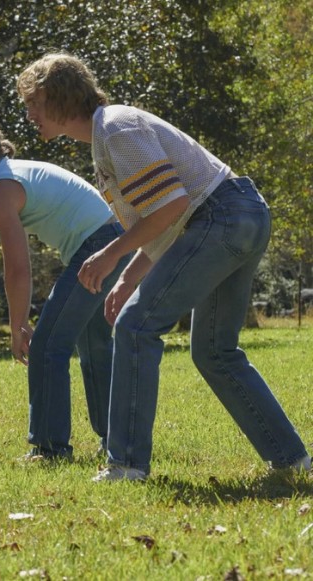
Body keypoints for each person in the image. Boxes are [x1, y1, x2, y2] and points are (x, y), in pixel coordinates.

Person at [16, 53, 311, 481]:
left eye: (33, 102)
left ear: (58, 98)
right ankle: (293, 462)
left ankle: (126, 464)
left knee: (136, 327)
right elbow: (163, 222)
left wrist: (111, 254)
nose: (28, 114)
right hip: (237, 216)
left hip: (220, 218)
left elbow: (172, 206)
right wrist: (127, 281)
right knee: (214, 351)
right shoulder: (107, 135)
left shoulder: (115, 127)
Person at [0, 115, 130, 461]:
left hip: (99, 246)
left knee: (47, 345)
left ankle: (50, 448)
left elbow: (18, 270)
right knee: (93, 343)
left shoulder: (2, 190)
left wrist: (19, 325)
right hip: (116, 240)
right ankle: (116, 440)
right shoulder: (13, 173)